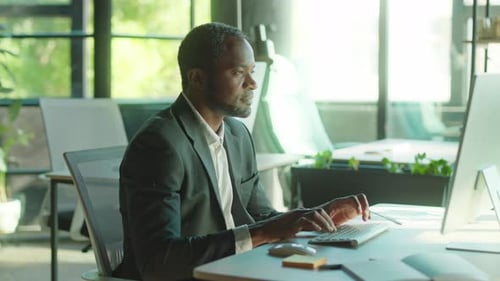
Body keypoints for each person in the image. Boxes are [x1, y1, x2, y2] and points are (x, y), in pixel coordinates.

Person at [114, 22, 370, 281]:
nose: (253, 83)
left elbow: (263, 218)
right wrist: (263, 233)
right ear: (198, 78)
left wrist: (317, 217)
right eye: (239, 73)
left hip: (236, 268)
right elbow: (159, 262)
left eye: (252, 71)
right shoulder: (160, 145)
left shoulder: (237, 135)